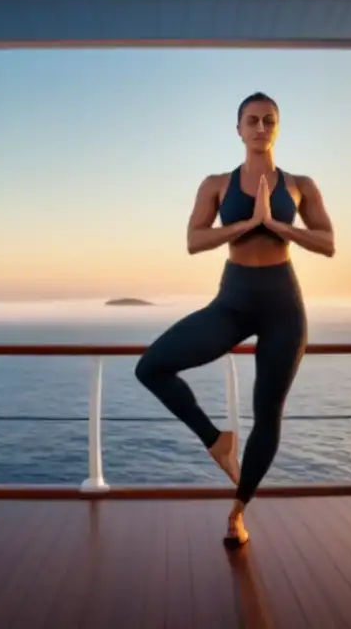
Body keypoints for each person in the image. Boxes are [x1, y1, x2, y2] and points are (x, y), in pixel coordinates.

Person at [134, 91, 335, 548]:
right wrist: (248, 224)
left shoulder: (301, 184)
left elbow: (327, 242)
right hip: (233, 300)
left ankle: (238, 512)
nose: (260, 128)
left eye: (269, 121)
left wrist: (278, 224)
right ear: (238, 129)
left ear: (277, 128)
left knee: (268, 412)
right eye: (252, 121)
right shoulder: (216, 185)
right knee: (152, 367)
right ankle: (217, 440)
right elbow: (194, 240)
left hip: (283, 304)